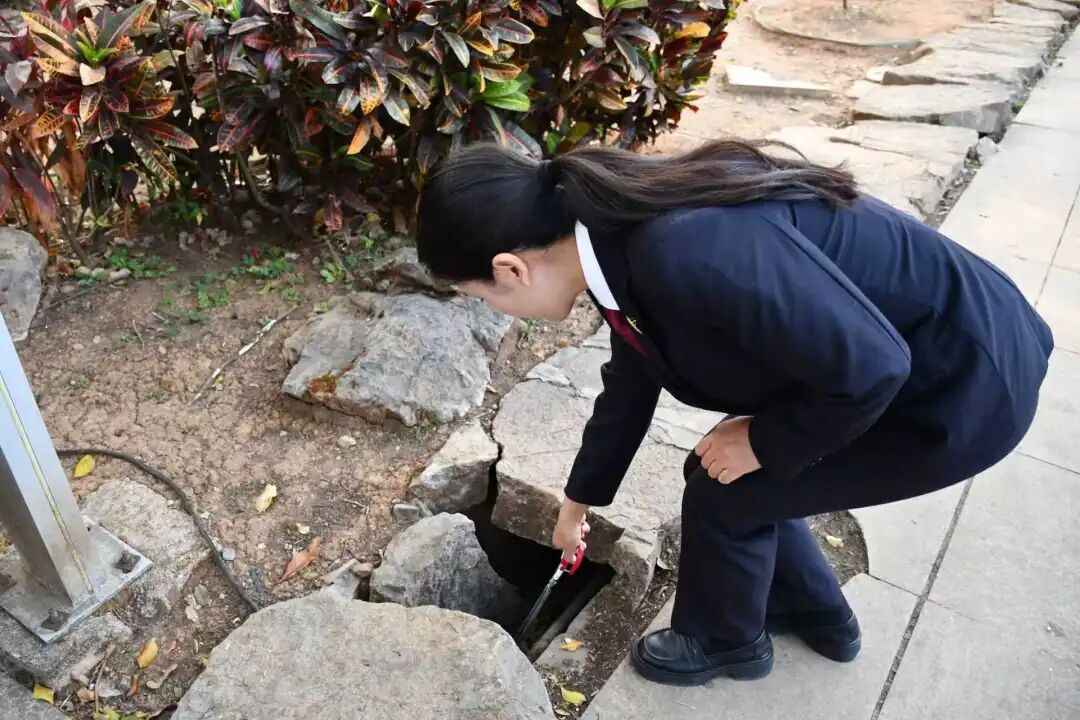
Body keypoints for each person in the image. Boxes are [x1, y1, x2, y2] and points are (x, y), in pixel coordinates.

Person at [414, 140, 1054, 686]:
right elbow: (630, 383)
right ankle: (814, 611)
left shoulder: (682, 248)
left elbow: (876, 367)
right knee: (722, 472)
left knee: (728, 491)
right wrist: (576, 504)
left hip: (962, 387)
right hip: (929, 354)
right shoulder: (617, 239)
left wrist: (767, 440)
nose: (495, 310)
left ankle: (724, 641)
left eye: (481, 297)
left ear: (510, 269)